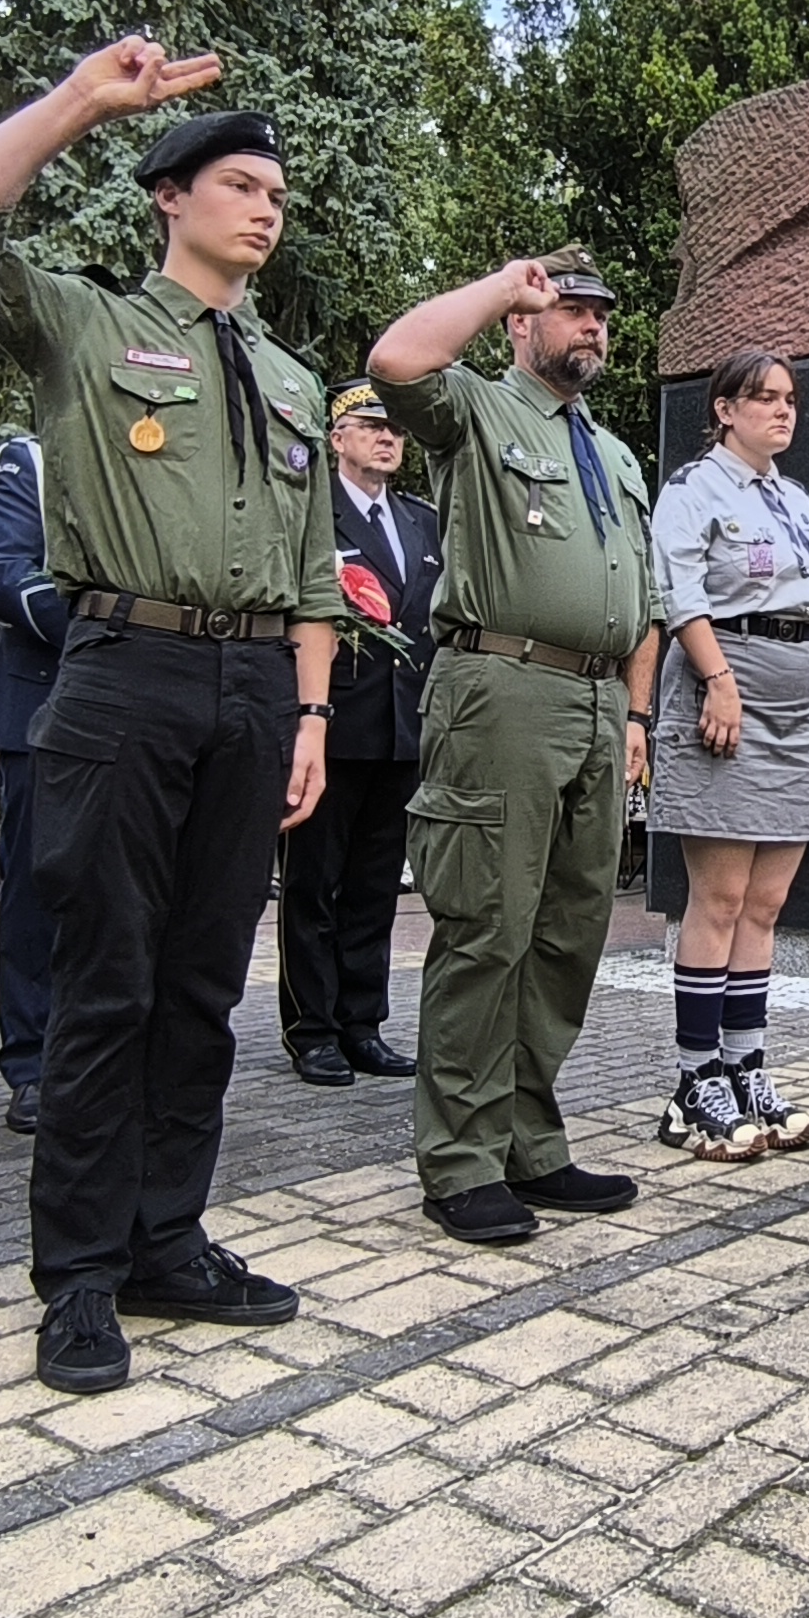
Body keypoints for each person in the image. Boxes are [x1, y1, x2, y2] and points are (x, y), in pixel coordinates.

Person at [0, 43, 346, 1390]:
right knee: (109, 986)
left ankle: (169, 1240)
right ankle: (80, 1278)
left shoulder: (291, 379)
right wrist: (84, 103)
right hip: (123, 671)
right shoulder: (90, 329)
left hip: (257, 688)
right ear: (168, 196)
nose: (265, 209)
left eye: (277, 191)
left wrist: (312, 713)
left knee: (206, 985)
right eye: (237, 185)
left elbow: (319, 566)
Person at [368, 249, 661, 1246]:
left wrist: (632, 713)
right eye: (569, 308)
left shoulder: (614, 454)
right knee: (488, 923)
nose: (589, 325)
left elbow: (646, 600)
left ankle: (529, 1137)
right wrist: (504, 283)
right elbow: (397, 362)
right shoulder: (481, 413)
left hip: (593, 697)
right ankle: (458, 1158)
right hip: (501, 687)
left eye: (599, 314)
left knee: (569, 931)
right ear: (521, 327)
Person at [646, 349, 809, 1158]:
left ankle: (746, 1066)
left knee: (767, 903)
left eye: (788, 399)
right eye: (763, 398)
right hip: (728, 682)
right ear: (724, 409)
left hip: (796, 690)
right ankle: (693, 1079)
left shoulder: (792, 498)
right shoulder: (694, 489)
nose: (782, 411)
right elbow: (680, 594)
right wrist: (717, 682)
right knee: (718, 897)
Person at [282, 377, 437, 1088]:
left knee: (375, 885)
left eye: (396, 429)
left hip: (402, 727)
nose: (387, 437)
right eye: (372, 426)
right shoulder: (313, 518)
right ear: (337, 439)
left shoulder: (421, 521)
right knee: (316, 884)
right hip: (334, 723)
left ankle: (361, 1022)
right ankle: (311, 1029)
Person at [0, 434, 63, 1136]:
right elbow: (0, 569)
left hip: (149, 705)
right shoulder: (33, 456)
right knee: (39, 890)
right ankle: (32, 1063)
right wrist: (111, 627)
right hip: (48, 703)